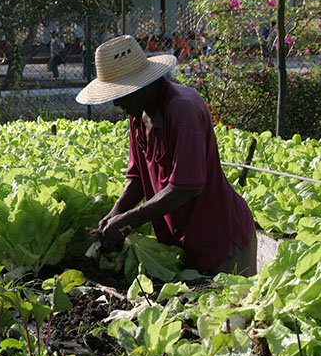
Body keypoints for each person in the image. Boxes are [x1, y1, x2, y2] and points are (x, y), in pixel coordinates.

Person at [76, 35, 257, 277]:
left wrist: (128, 220)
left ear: (140, 85)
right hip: (183, 241)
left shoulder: (183, 109)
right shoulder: (138, 117)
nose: (116, 103)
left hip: (220, 240)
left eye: (120, 93)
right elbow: (138, 178)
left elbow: (186, 187)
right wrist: (115, 214)